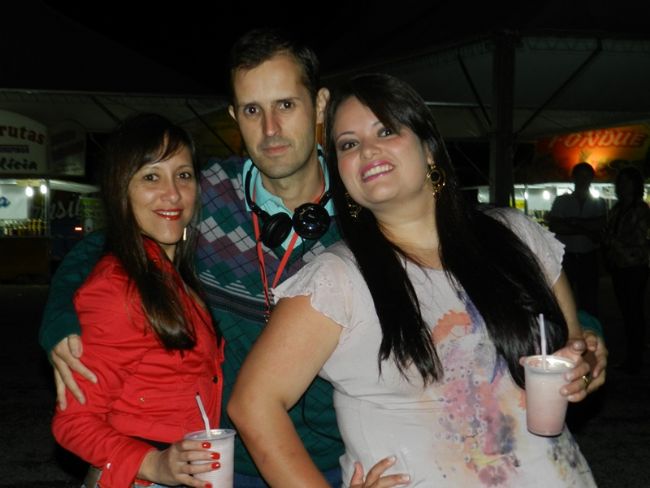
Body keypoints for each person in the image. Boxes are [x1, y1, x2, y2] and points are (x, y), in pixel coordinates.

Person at [228, 73, 604, 487]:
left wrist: (585, 366)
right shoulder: (337, 279)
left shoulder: (516, 235)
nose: (367, 149)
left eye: (386, 130)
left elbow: (573, 346)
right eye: (348, 144)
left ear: (428, 148)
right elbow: (253, 404)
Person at [40, 28, 344, 487]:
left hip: (334, 461)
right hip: (226, 463)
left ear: (319, 105)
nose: (270, 129)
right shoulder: (204, 193)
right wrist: (59, 319)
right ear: (234, 115)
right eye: (252, 110)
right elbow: (107, 244)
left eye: (285, 104)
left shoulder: (363, 209)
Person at [51, 113, 224, 488]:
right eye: (151, 177)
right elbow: (74, 422)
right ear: (122, 189)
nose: (173, 194)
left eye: (183, 175)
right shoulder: (117, 289)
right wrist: (154, 464)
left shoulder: (177, 275)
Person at [602, 166, 650, 374]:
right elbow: (607, 232)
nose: (622, 185)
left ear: (635, 185)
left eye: (627, 181)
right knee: (626, 310)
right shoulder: (617, 208)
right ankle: (634, 350)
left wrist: (612, 241)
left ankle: (635, 355)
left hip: (635, 265)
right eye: (620, 181)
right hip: (619, 265)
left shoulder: (640, 209)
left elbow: (638, 238)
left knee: (633, 310)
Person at [547, 162, 607, 318]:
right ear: (573, 177)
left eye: (586, 176)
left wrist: (571, 222)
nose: (583, 179)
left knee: (590, 300)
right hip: (565, 256)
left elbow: (600, 225)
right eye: (580, 175)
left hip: (589, 257)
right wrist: (587, 229)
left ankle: (591, 329)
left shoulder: (599, 202)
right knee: (564, 299)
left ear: (591, 178)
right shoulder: (562, 200)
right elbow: (556, 227)